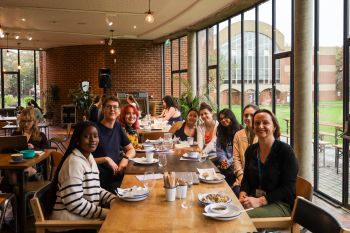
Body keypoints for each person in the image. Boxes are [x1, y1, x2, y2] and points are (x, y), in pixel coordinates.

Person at [48, 121, 116, 225]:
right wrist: (105, 213)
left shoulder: (89, 157)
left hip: (82, 216)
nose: (93, 140)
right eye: (86, 136)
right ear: (77, 140)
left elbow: (96, 189)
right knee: (118, 222)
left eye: (95, 136)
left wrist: (113, 200)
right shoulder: (74, 162)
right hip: (67, 223)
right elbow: (74, 203)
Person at [239, 109, 298, 218]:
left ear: (274, 126)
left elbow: (288, 188)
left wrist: (260, 201)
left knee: (240, 218)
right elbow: (246, 179)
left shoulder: (286, 152)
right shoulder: (251, 151)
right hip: (253, 199)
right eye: (257, 123)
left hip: (280, 204)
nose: (260, 126)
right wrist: (243, 193)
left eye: (265, 122)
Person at [92, 96, 135, 193]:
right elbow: (83, 159)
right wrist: (106, 159)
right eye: (108, 107)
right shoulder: (94, 130)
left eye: (115, 107)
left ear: (119, 111)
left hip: (117, 175)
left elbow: (131, 149)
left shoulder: (117, 126)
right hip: (101, 180)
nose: (112, 109)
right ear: (103, 109)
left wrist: (125, 159)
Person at [232, 104, 259, 194]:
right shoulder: (238, 135)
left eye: (252, 115)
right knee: (236, 192)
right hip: (242, 178)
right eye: (246, 115)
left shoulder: (262, 135)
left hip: (258, 182)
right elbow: (236, 159)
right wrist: (241, 176)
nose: (248, 118)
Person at [216, 109, 242, 188]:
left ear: (231, 117)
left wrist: (228, 162)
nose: (223, 120)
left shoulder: (240, 130)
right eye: (221, 119)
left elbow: (240, 153)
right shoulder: (220, 131)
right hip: (226, 164)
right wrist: (224, 161)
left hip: (237, 164)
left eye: (225, 117)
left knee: (228, 173)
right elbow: (219, 151)